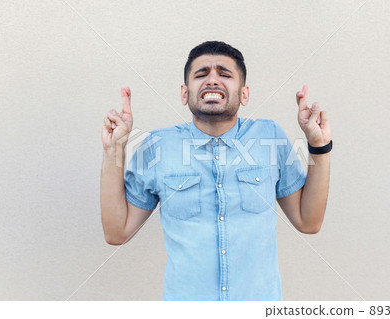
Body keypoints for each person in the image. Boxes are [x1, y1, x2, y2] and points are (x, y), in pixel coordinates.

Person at [100, 41, 332, 301]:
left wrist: (318, 146)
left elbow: (308, 222)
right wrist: (114, 150)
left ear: (244, 94)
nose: (212, 80)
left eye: (224, 74)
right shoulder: (157, 146)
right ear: (184, 93)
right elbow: (117, 232)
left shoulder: (270, 136)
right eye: (201, 74)